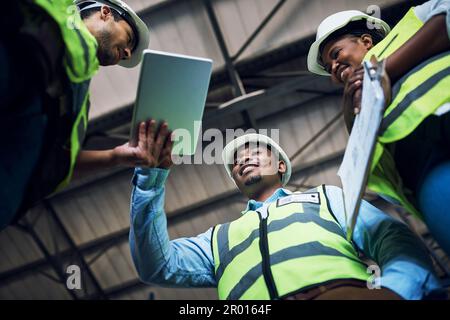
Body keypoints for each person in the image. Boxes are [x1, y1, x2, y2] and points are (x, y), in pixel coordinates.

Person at [128, 129, 443, 300]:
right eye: (236, 159)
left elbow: (392, 238)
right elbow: (155, 265)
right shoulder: (217, 239)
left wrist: (399, 290)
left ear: (281, 166)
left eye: (255, 151)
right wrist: (149, 180)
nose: (243, 158)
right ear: (236, 180)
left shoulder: (326, 197)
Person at [307, 0, 450, 254]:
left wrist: (384, 70)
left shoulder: (415, 20)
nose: (334, 70)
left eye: (336, 54)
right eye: (329, 69)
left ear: (365, 41)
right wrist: (355, 119)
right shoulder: (358, 107)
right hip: (425, 171)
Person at [0, 0, 151, 230]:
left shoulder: (79, 104)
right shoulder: (54, 13)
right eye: (129, 38)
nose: (128, 53)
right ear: (106, 13)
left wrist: (115, 157)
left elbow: (60, 161)